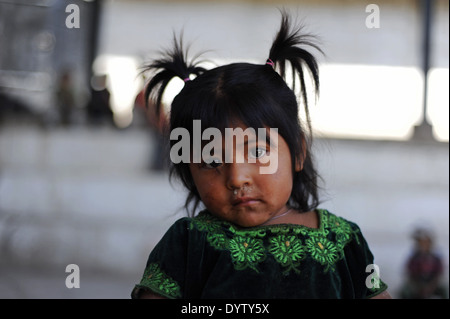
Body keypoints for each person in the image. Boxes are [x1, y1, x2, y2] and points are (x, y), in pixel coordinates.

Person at [131, 11, 391, 299]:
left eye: (257, 152)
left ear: (298, 152)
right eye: (211, 161)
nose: (237, 177)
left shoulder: (345, 241)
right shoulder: (187, 243)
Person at [400, 227, 447, 299]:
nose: (424, 245)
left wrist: (431, 286)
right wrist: (419, 287)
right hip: (417, 285)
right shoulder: (414, 258)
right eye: (421, 243)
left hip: (432, 284)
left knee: (444, 289)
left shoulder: (436, 258)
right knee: (405, 291)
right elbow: (410, 274)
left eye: (426, 242)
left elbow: (439, 274)